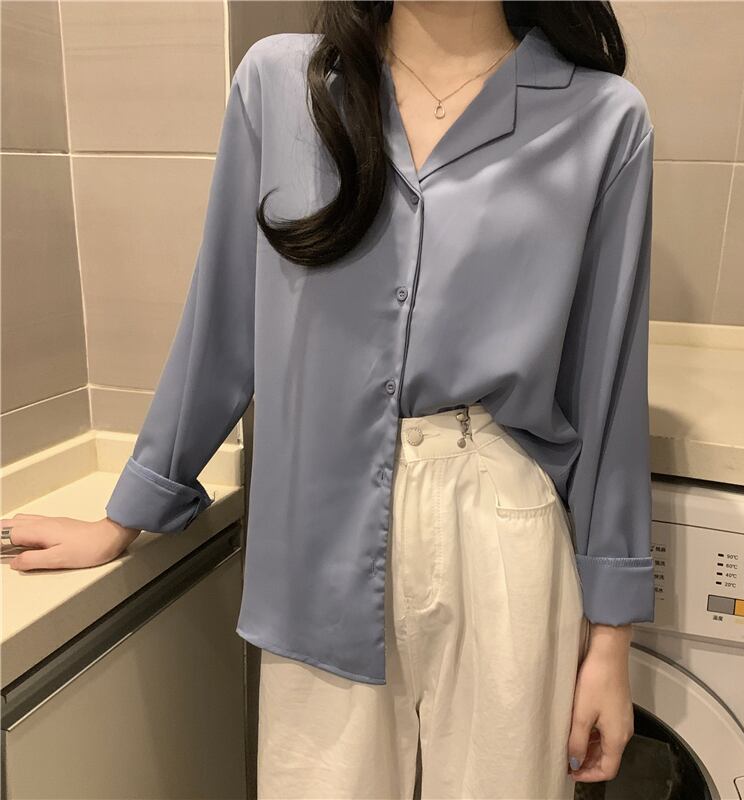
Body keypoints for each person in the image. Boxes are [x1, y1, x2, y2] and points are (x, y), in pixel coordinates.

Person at [2, 1, 656, 797]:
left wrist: (612, 640)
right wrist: (126, 515)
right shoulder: (280, 86)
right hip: (316, 528)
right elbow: (223, 318)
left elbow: (607, 382)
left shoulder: (602, 119)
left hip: (500, 524)